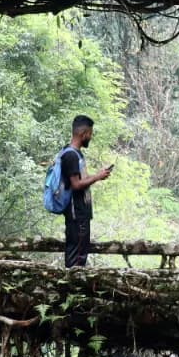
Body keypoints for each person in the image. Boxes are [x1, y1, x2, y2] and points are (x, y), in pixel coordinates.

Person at [60, 114, 113, 268]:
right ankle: (71, 289)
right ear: (83, 134)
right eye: (90, 133)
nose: (90, 137)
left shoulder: (74, 153)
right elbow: (76, 185)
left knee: (78, 254)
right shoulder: (70, 155)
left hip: (79, 214)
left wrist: (98, 175)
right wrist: (97, 176)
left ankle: (71, 288)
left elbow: (79, 180)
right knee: (76, 257)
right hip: (77, 214)